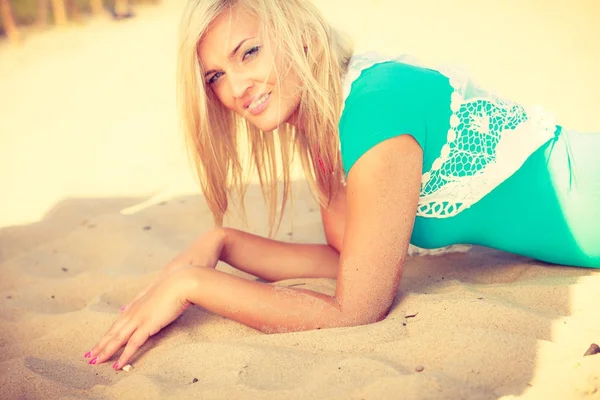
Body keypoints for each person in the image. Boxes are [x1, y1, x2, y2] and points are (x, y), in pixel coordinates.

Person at [84, 0, 600, 369]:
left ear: (300, 37)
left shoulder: (372, 107)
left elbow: (357, 307)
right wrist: (222, 243)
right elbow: (353, 262)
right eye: (215, 76)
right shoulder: (324, 124)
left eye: (249, 53)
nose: (236, 88)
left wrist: (191, 283)